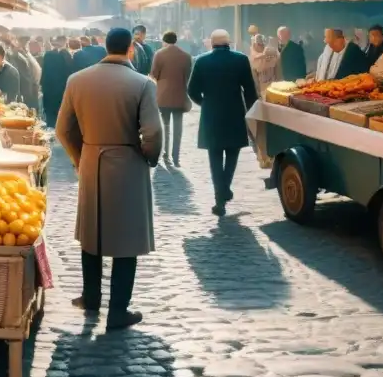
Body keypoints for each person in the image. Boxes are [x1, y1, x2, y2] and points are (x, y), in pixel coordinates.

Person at [56, 28, 162, 331]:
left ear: (105, 47)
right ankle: (118, 311)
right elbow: (152, 132)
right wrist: (149, 157)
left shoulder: (77, 80)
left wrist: (80, 157)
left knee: (91, 233)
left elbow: (63, 129)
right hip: (128, 162)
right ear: (130, 49)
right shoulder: (142, 84)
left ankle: (91, 298)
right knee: (126, 240)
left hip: (90, 161)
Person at [188, 29, 258, 216]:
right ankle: (225, 187)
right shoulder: (240, 59)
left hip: (211, 114)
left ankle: (220, 196)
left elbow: (191, 90)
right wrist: (252, 112)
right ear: (229, 43)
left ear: (212, 43)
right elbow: (250, 90)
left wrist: (204, 103)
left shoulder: (202, 61)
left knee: (215, 156)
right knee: (233, 152)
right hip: (235, 112)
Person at [149, 30, 193, 166]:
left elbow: (153, 74)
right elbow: (188, 76)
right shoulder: (186, 56)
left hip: (163, 96)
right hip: (180, 95)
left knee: (165, 126)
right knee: (178, 128)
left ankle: (165, 154)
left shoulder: (159, 54)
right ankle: (176, 157)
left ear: (164, 41)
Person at [40, 36, 72, 128]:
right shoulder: (67, 55)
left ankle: (51, 132)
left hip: (49, 91)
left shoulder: (48, 55)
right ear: (64, 42)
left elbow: (44, 73)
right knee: (62, 117)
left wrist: (42, 86)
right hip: (62, 91)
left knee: (50, 117)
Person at [13, 36, 41, 111]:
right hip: (26, 89)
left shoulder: (26, 52)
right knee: (29, 111)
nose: (26, 43)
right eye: (24, 41)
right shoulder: (15, 55)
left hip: (32, 86)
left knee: (34, 111)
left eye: (27, 41)